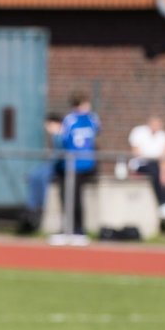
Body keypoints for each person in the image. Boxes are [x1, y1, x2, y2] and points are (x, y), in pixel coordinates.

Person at [49, 92, 100, 245]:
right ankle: (69, 230)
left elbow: (63, 139)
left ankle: (77, 230)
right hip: (72, 165)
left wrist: (56, 133)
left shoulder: (74, 119)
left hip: (77, 164)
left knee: (74, 197)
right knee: (69, 197)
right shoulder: (90, 119)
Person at [129, 115, 165, 223]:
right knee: (154, 172)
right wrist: (153, 157)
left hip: (158, 164)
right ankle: (161, 201)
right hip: (142, 164)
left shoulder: (163, 136)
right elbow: (136, 152)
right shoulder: (139, 132)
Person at [20, 112, 64, 233]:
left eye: (49, 125)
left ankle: (39, 206)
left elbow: (60, 155)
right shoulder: (55, 137)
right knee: (34, 175)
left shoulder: (62, 135)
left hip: (60, 166)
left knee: (43, 175)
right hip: (53, 164)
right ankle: (31, 207)